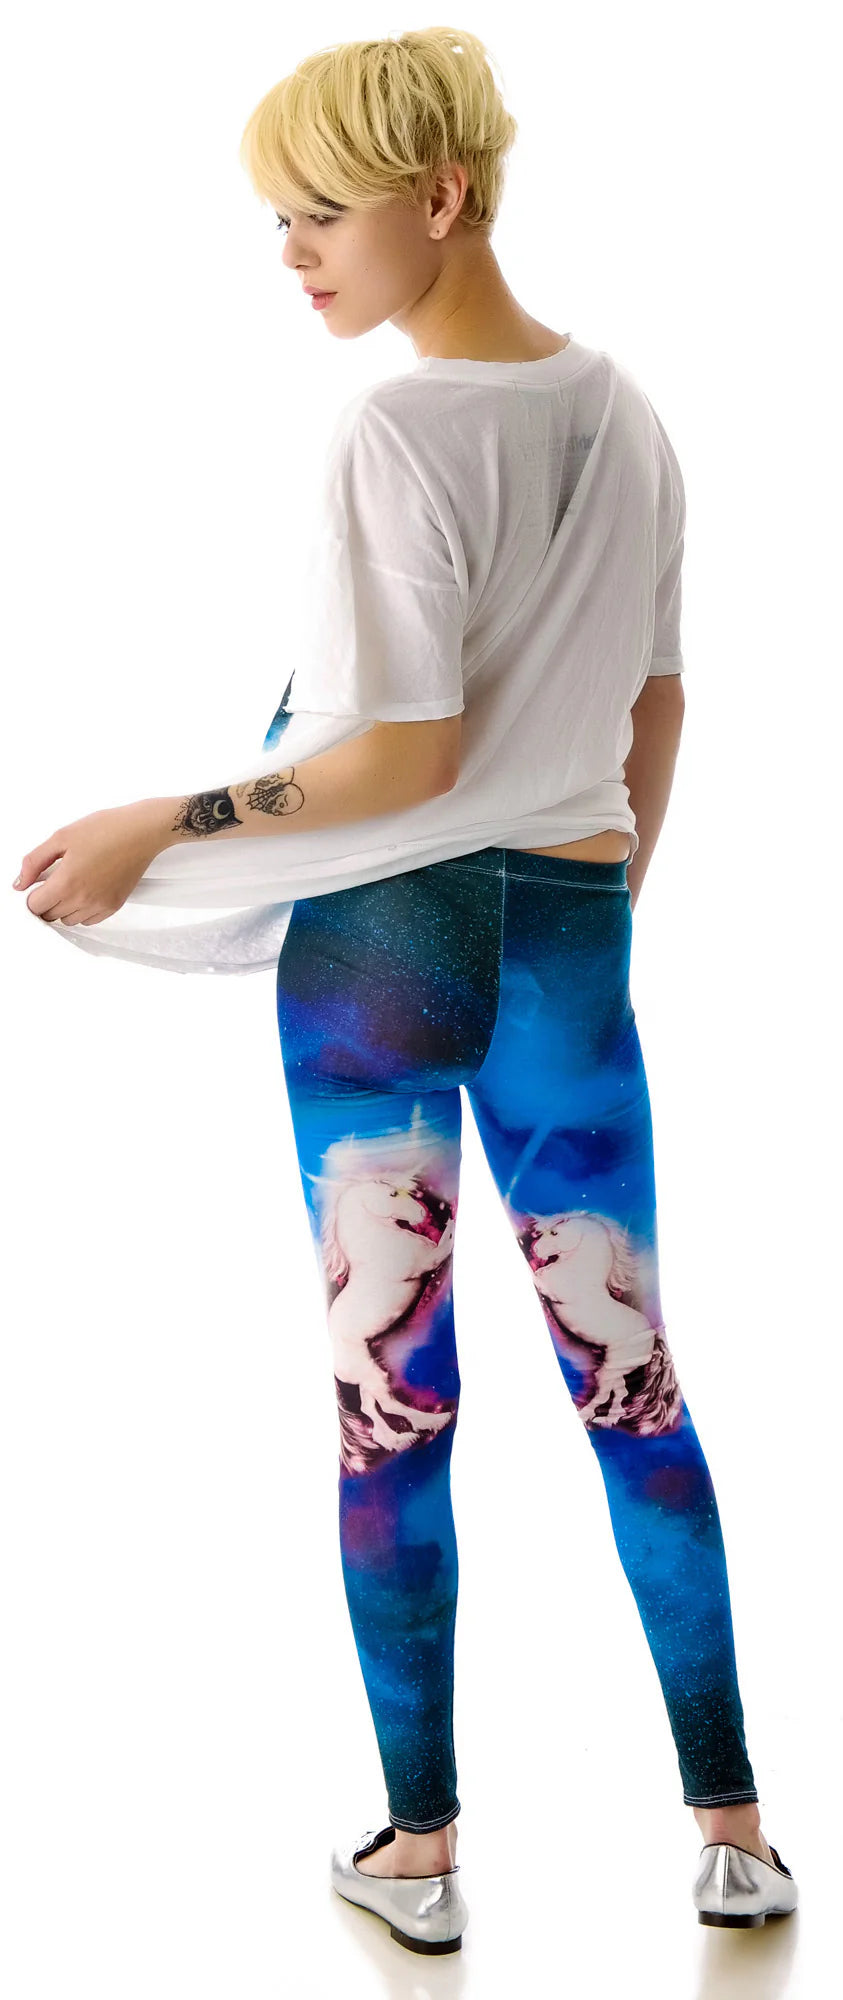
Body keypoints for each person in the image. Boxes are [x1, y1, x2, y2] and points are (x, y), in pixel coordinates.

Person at [13, 24, 797, 1953]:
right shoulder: (630, 414)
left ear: (438, 197)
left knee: (394, 1399)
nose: (291, 253)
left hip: (387, 947)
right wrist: (599, 902)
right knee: (634, 1383)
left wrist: (163, 818)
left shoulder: (395, 430)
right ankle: (735, 1834)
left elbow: (398, 757)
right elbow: (658, 703)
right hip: (572, 926)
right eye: (276, 219)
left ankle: (420, 1856)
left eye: (320, 214)